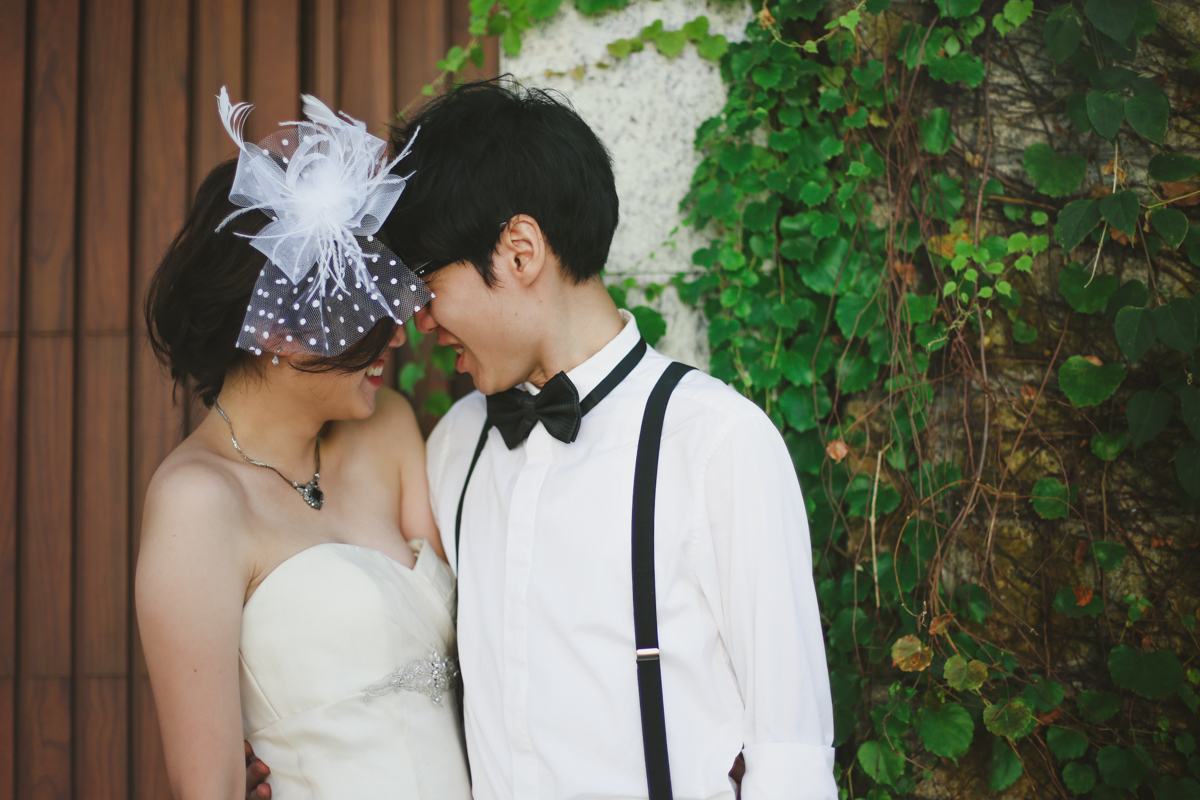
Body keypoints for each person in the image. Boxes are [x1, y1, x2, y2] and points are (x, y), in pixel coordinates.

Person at [389, 80, 836, 798]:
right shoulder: (455, 446)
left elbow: (791, 753)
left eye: (425, 282)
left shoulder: (718, 444)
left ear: (520, 250)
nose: (421, 323)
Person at [137, 89, 470, 799]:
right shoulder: (198, 503)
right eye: (364, 309)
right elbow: (211, 786)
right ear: (280, 332)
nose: (399, 332)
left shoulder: (389, 428)